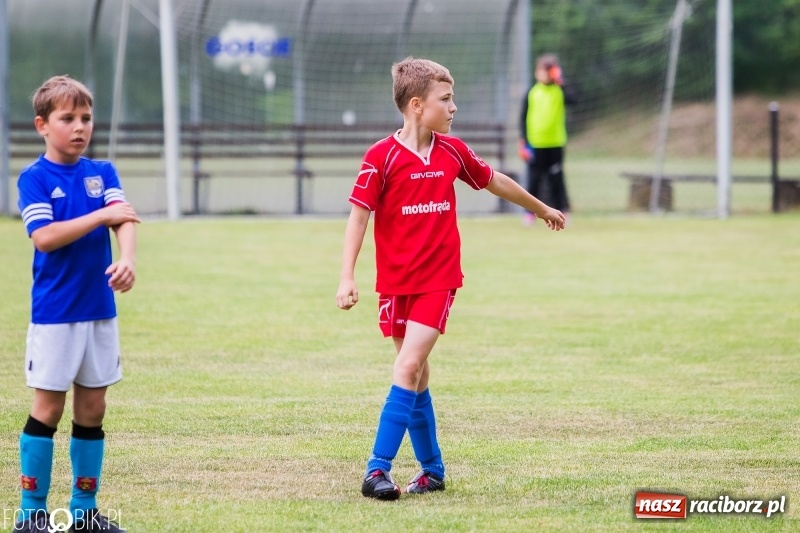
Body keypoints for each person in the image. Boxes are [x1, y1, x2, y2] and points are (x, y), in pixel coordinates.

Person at [335, 57, 565, 501]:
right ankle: (433, 470)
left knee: (406, 366)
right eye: (446, 99)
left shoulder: (452, 152)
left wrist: (540, 208)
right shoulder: (380, 158)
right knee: (416, 375)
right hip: (395, 284)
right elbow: (359, 217)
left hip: (438, 280)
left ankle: (376, 469)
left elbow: (494, 180)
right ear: (418, 105)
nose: (454, 107)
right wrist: (346, 276)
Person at [13, 75, 139, 533]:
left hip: (99, 311)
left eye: (86, 118)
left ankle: (84, 512)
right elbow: (44, 238)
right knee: (48, 408)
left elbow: (124, 219)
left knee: (93, 408)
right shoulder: (34, 178)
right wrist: (100, 216)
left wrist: (126, 258)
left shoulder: (102, 173)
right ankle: (31, 515)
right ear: (43, 125)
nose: (79, 126)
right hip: (55, 316)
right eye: (68, 118)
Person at [518, 53, 577, 225]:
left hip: (556, 143)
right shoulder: (532, 92)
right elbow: (523, 118)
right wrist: (523, 141)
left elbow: (574, 100)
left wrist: (561, 82)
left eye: (547, 71)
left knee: (557, 179)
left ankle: (563, 210)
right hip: (535, 144)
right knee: (534, 179)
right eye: (541, 70)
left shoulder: (560, 90)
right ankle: (529, 213)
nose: (542, 74)